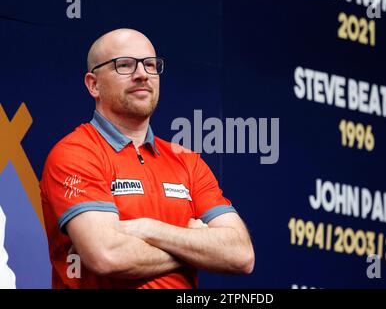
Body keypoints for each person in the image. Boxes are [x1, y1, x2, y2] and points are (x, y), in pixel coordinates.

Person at [40, 28, 255, 289]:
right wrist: (194, 245)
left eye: (151, 65)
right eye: (125, 65)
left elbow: (241, 255)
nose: (142, 74)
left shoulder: (187, 162)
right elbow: (107, 255)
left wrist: (148, 229)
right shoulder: (76, 153)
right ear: (93, 84)